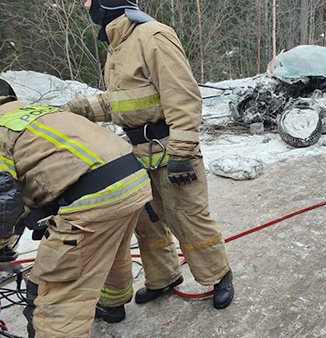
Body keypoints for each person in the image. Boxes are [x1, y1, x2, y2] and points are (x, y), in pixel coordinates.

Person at [68, 0, 234, 310]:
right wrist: (80, 109)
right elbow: (125, 102)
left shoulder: (153, 35)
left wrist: (183, 151)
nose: (87, 6)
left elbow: (182, 95)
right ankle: (164, 277)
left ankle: (218, 274)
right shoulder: (118, 47)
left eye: (90, 0)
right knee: (149, 222)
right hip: (137, 151)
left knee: (187, 216)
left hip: (171, 147)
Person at [0, 79, 152, 336]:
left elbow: (4, 203)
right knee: (110, 249)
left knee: (55, 290)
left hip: (94, 196)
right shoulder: (39, 111)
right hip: (134, 178)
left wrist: (3, 244)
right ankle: (112, 304)